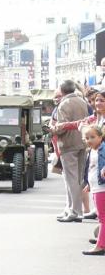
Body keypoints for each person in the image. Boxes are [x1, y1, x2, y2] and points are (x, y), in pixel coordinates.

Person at [52, 79, 90, 222]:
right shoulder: (82, 102)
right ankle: (71, 209)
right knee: (78, 179)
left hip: (68, 145)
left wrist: (53, 129)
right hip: (83, 142)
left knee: (70, 179)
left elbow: (62, 127)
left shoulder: (64, 104)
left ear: (62, 91)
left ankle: (74, 211)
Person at [83, 125, 105, 255]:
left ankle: (100, 245)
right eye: (87, 138)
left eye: (92, 137)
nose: (89, 140)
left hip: (102, 187)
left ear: (100, 137)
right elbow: (91, 169)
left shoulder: (103, 148)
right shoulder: (92, 151)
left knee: (102, 217)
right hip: (96, 187)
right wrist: (89, 184)